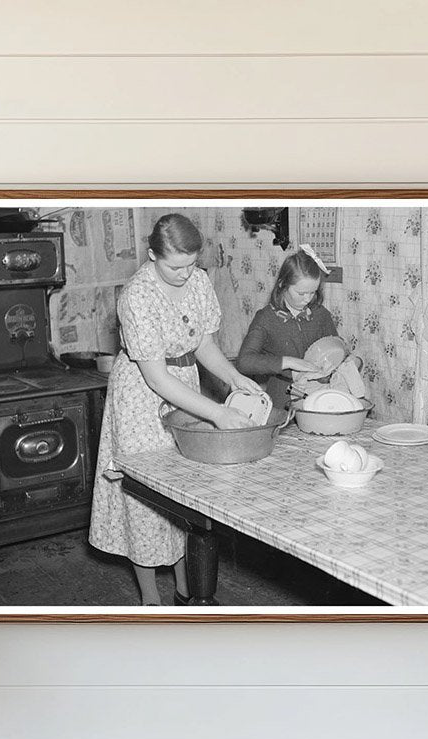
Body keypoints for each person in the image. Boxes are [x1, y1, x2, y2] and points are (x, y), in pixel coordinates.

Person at [89, 213, 264, 606]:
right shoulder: (137, 295)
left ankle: (188, 590)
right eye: (176, 266)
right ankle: (151, 599)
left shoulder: (198, 282)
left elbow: (202, 343)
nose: (186, 274)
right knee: (146, 495)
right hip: (141, 396)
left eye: (192, 264)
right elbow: (156, 379)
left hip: (184, 384)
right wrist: (216, 413)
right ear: (152, 255)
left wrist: (234, 378)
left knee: (185, 493)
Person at [236, 246, 343, 409]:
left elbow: (336, 348)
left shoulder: (321, 315)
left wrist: (340, 364)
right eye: (301, 293)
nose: (307, 299)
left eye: (313, 292)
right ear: (282, 285)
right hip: (282, 401)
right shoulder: (266, 318)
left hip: (317, 399)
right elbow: (244, 361)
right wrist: (289, 362)